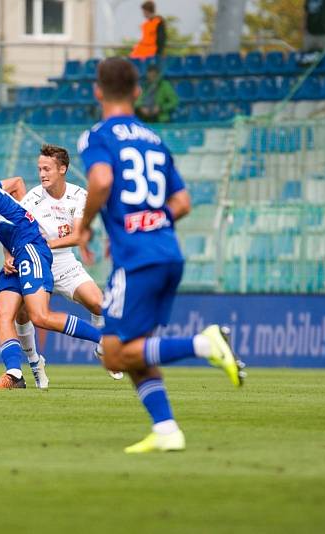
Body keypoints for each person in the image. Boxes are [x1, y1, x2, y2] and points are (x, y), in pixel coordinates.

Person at [76, 57, 246, 453]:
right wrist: (152, 220)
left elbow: (101, 180)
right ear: (137, 92)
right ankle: (167, 429)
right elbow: (183, 202)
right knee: (136, 347)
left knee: (114, 354)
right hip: (168, 251)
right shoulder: (155, 139)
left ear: (98, 91)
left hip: (137, 259)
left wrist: (85, 224)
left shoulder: (96, 135)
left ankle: (204, 344)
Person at [0, 156, 104, 389]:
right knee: (2, 315)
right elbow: (15, 183)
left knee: (40, 316)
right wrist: (17, 227)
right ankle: (14, 375)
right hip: (17, 251)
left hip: (31, 247)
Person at [7, 144, 122, 389]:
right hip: (35, 261)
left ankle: (103, 349)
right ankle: (35, 363)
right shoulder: (32, 198)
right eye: (39, 169)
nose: (42, 174)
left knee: (99, 304)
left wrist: (46, 244)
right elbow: (11, 228)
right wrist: (9, 255)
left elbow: (80, 236)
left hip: (63, 261)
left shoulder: (79, 195)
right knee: (23, 314)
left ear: (63, 169)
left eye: (47, 169)